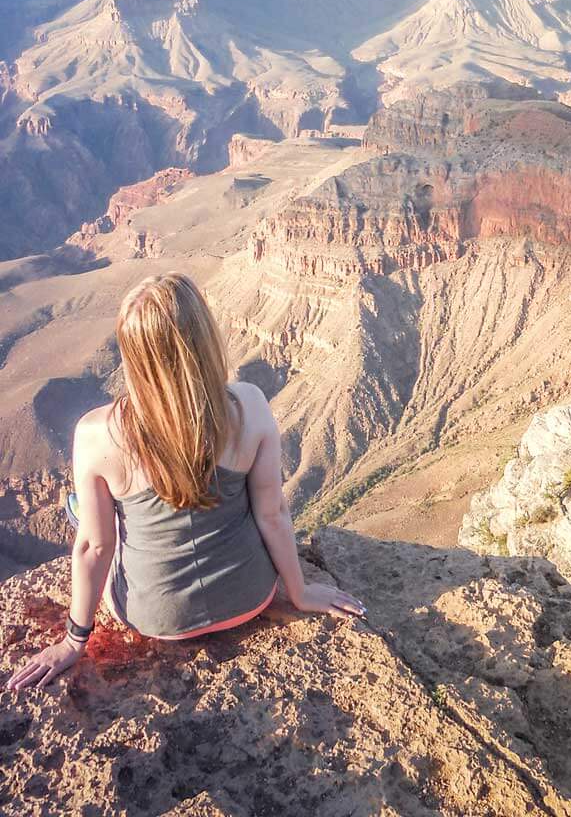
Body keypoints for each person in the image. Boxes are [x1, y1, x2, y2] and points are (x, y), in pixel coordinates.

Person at [8, 273, 364, 692]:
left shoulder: (96, 434)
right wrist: (299, 592)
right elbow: (272, 513)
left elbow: (94, 547)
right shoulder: (248, 404)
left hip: (154, 618)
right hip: (249, 597)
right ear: (204, 339)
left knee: (85, 513)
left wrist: (73, 640)